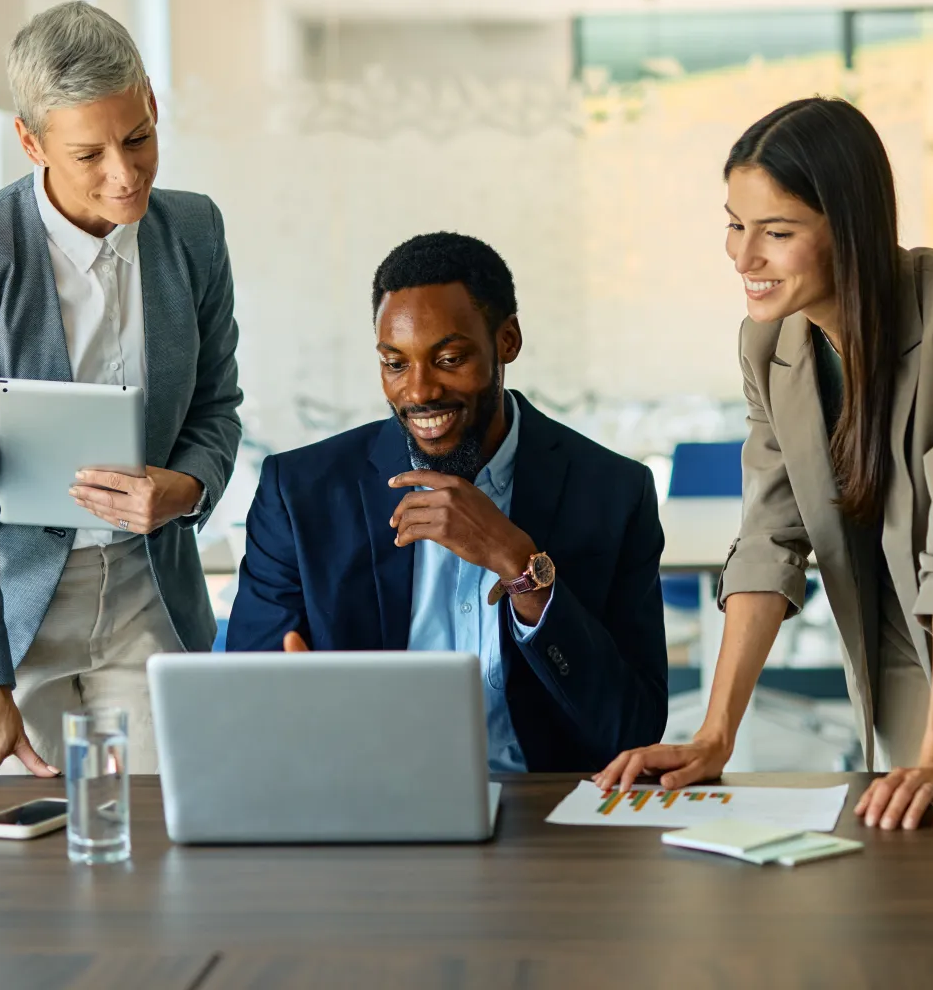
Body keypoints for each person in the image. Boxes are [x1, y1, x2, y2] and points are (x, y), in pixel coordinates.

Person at [598, 96, 933, 828]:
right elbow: (769, 538)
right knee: (915, 868)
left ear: (848, 229)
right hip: (886, 626)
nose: (743, 257)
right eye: (734, 224)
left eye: (776, 232)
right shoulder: (768, 345)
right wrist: (714, 734)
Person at [0, 1, 242, 793]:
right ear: (31, 142)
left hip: (149, 595)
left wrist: (189, 487)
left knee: (160, 833)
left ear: (150, 98)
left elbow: (217, 406)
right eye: (89, 154)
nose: (127, 172)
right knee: (21, 864)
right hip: (9, 602)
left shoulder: (196, 233)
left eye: (138, 137)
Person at [225, 232, 667, 772]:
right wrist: (302, 707)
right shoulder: (300, 492)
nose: (419, 391)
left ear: (507, 341)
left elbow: (633, 728)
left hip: (545, 810)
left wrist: (522, 570)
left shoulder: (612, 492)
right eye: (395, 363)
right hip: (367, 798)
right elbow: (250, 707)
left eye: (449, 358)